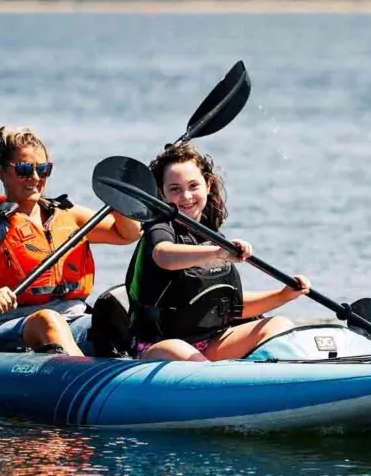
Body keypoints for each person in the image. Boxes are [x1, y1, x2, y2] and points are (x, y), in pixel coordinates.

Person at [0, 126, 142, 356]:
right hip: (11, 323)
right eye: (24, 169)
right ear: (1, 171)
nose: (35, 178)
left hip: (75, 318)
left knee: (120, 316)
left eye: (43, 169)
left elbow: (128, 233)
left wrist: (119, 203)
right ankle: (85, 379)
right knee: (48, 320)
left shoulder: (70, 216)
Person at [125, 142, 311, 362]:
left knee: (280, 325)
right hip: (160, 346)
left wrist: (283, 295)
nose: (186, 196)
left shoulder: (213, 237)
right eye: (175, 189)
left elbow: (233, 308)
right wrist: (217, 252)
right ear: (161, 193)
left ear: (208, 185)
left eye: (193, 185)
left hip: (210, 342)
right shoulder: (159, 227)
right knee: (180, 350)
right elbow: (163, 255)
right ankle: (219, 381)